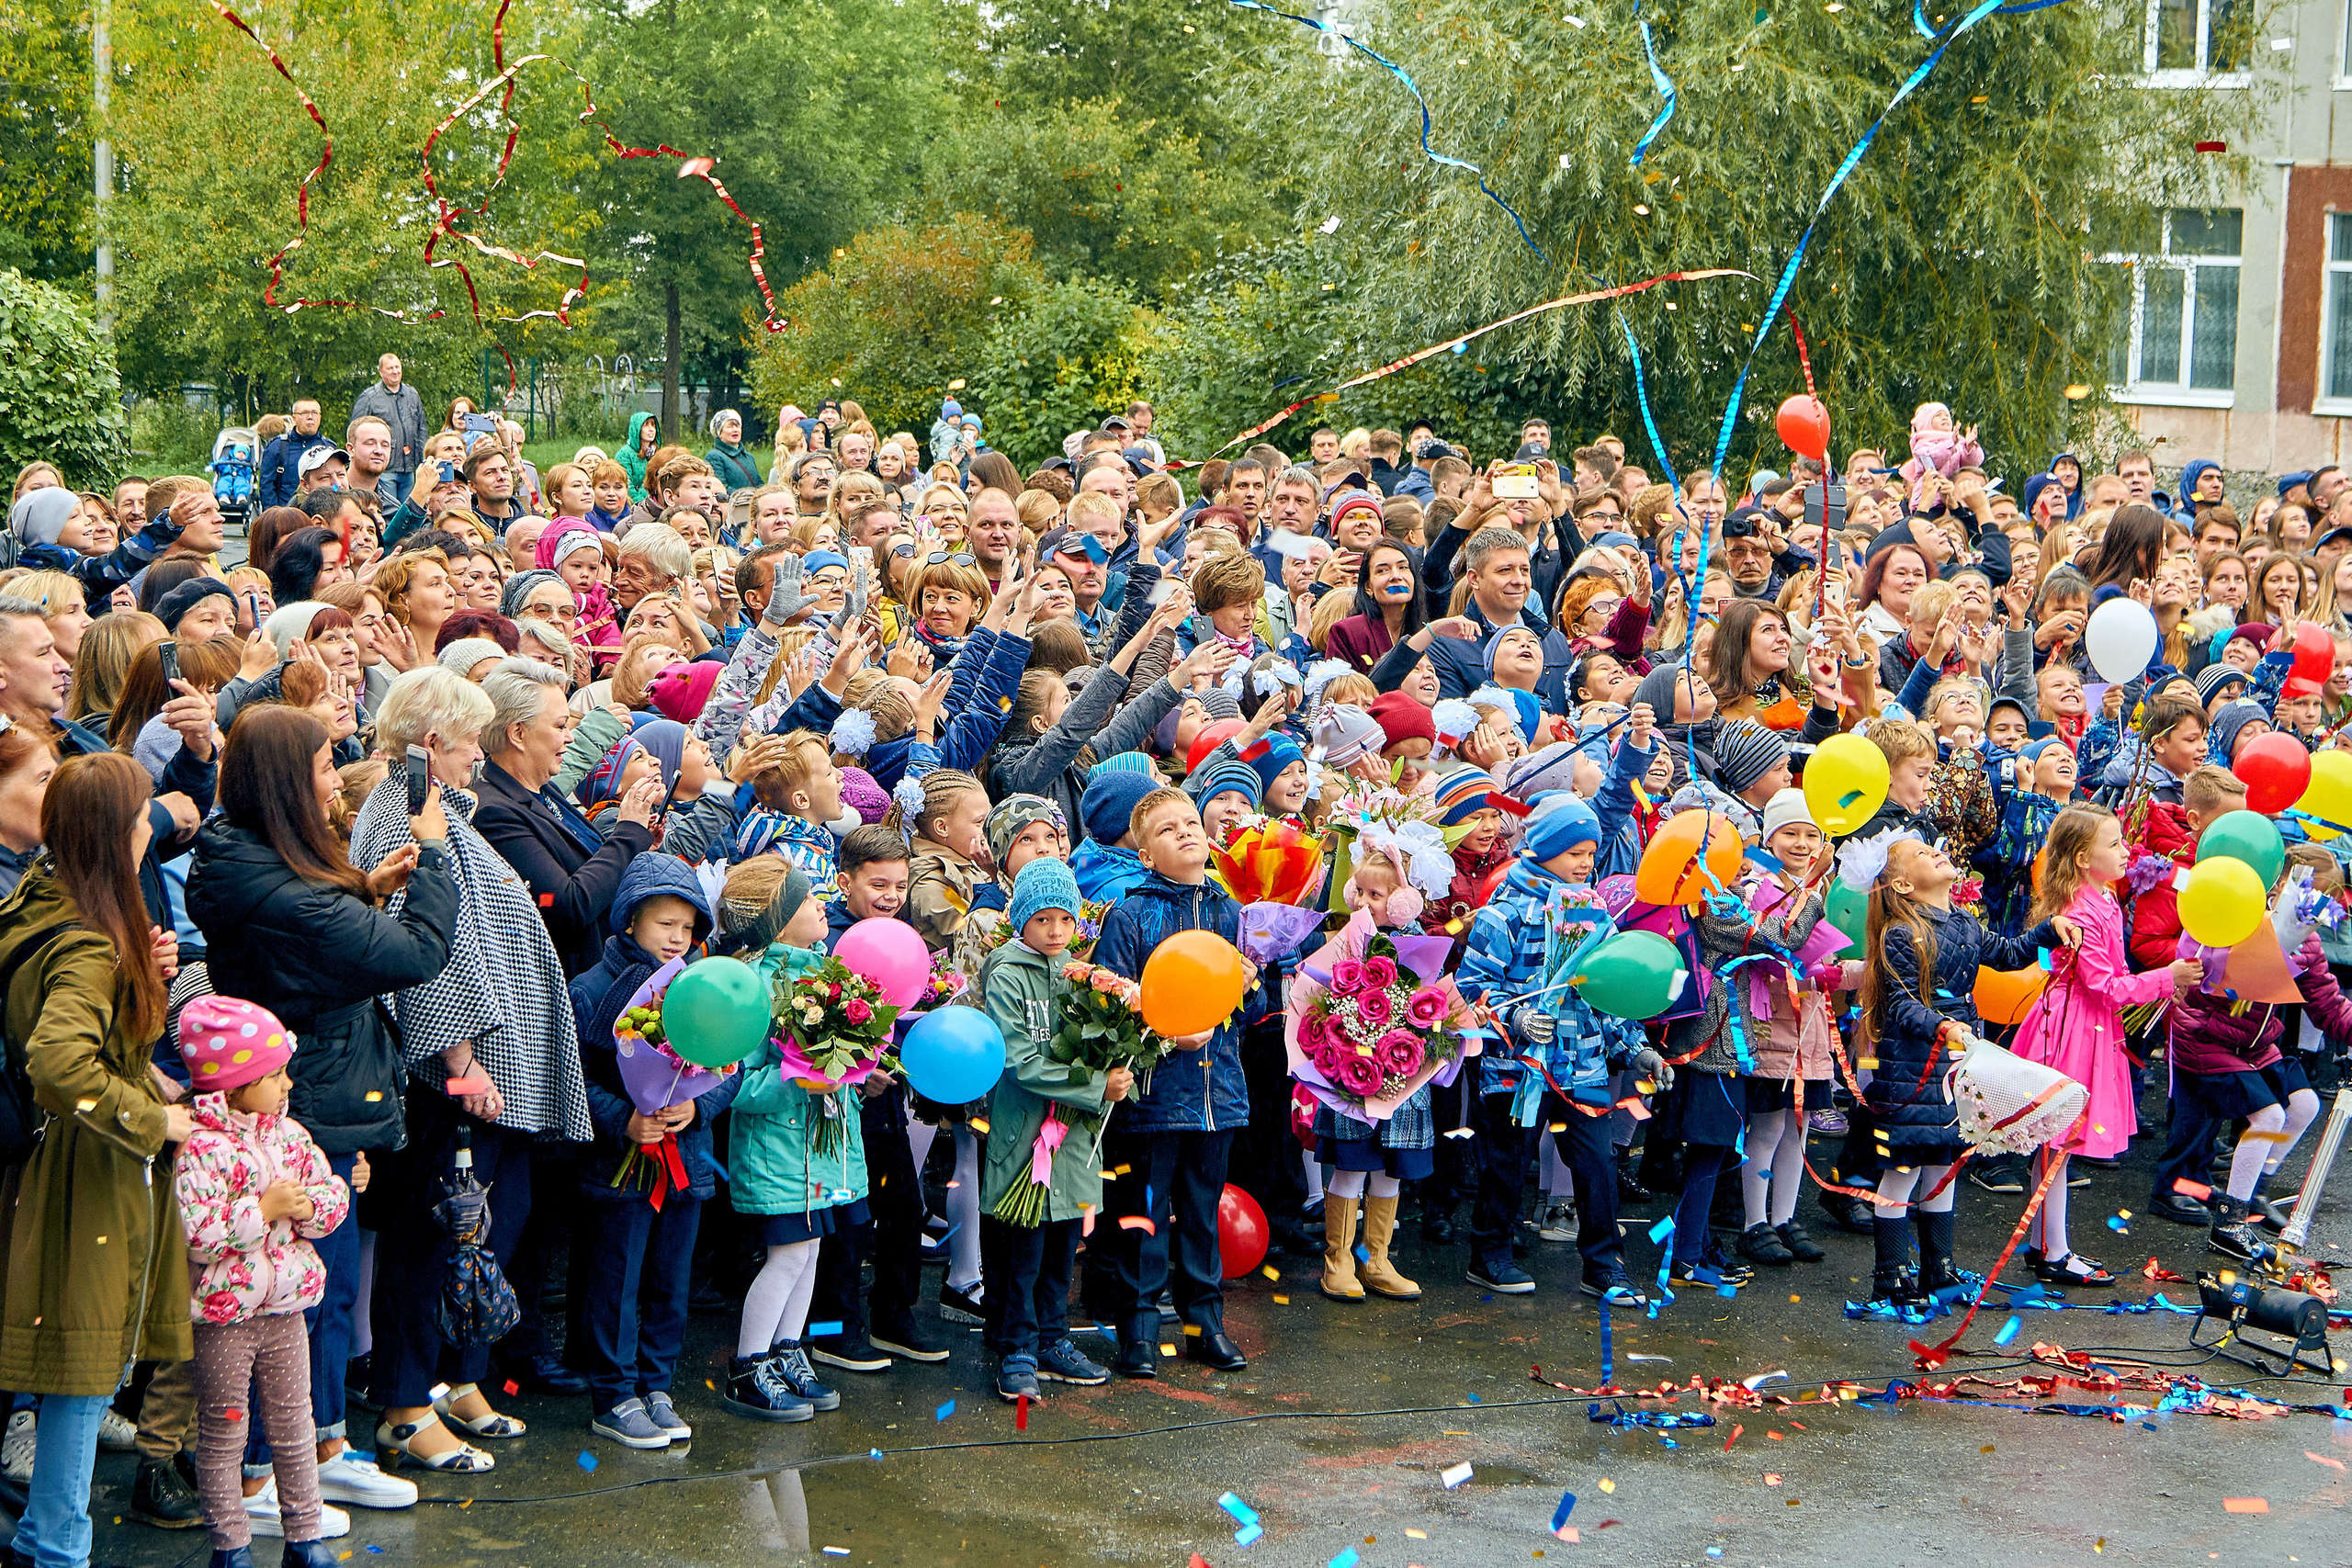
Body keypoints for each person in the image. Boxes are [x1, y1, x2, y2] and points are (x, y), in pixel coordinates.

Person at [187, 704, 457, 1511]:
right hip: (308, 1097)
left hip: (325, 1095)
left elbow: (322, 931)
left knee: (329, 1287)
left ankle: (323, 1441)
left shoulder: (258, 859)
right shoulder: (281, 892)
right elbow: (418, 954)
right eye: (321, 764)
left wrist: (366, 889)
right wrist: (436, 854)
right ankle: (265, 1472)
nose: (335, 776)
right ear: (283, 781)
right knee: (294, 1298)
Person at [349, 668, 587, 1472]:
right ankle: (406, 1405)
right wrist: (461, 1061)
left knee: (494, 1221)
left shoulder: (445, 808)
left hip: (497, 1066)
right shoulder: (401, 816)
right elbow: (428, 949)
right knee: (437, 1234)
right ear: (428, 743)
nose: (478, 759)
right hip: (455, 1074)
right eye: (466, 743)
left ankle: (458, 1378)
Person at [0, 752, 193, 1568]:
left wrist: (142, 993)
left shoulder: (39, 900)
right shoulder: (88, 942)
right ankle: (58, 1548)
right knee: (84, 1368)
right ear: (119, 832)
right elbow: (60, 1063)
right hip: (88, 1172)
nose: (151, 825)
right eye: (143, 814)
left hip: (63, 1166)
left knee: (75, 1366)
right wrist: (156, 1119)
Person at [172, 996, 352, 1568]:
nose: (286, 1083)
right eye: (272, 1074)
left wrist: (305, 1208)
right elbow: (197, 1234)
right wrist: (263, 1208)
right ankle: (231, 1546)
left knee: (294, 1422)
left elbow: (331, 1196)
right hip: (225, 1318)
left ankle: (306, 1537)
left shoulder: (290, 1136)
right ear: (233, 1084)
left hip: (286, 1310)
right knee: (225, 1430)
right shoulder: (199, 1148)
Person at [1091, 788, 1262, 1378]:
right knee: (1144, 1212)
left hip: (1218, 1091)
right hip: (1155, 1092)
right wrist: (1163, 1032)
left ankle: (1204, 1324)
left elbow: (1250, 1000)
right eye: (1168, 830)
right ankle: (1137, 1330)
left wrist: (1250, 982)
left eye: (1191, 822)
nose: (1187, 832)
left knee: (1201, 1210)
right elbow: (1110, 994)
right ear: (1145, 855)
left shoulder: (1230, 908)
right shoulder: (1131, 911)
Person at [571, 854, 737, 1450]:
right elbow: (573, 1077)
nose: (676, 937)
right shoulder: (592, 988)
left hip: (684, 1158)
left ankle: (656, 1383)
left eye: (687, 927)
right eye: (665, 923)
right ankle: (614, 1394)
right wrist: (625, 1119)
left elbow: (730, 1066)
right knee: (617, 1277)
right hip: (621, 1165)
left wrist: (700, 1105)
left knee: (671, 1276)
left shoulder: (704, 986)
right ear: (631, 920)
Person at [2009, 804, 2199, 1287]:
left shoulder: (2104, 898)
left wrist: (2160, 982)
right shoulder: (2081, 908)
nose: (2127, 851)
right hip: (2073, 1029)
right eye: (2113, 844)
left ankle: (2045, 1245)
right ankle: (2054, 1251)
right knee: (2059, 1143)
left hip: (2088, 1027)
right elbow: (2106, 986)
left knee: (2057, 1147)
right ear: (2080, 857)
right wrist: (2165, 978)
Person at [978, 857, 1125, 1402]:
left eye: (1065, 919)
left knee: (1064, 1244)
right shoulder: (1008, 971)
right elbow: (1017, 1058)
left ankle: (1053, 1339)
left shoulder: (1079, 973)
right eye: (1043, 920)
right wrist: (1093, 1088)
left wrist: (1120, 1071)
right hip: (1024, 1133)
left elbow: (1104, 1042)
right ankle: (1017, 1345)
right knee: (1024, 1248)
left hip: (1076, 1143)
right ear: (1022, 920)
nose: (1056, 931)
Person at [725, 863, 861, 1423]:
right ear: (777, 920)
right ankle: (748, 1364)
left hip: (820, 1149)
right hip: (777, 1148)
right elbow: (733, 1079)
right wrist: (794, 1079)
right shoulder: (753, 985)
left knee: (809, 1253)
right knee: (785, 1255)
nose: (823, 906)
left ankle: (788, 1349)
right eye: (808, 901)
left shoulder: (826, 975)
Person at [351, 355, 426, 506]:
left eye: (397, 367)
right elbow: (355, 430)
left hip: (409, 468)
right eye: (390, 368)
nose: (395, 371)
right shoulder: (370, 397)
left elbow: (422, 427)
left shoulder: (412, 395)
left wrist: (421, 458)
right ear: (381, 372)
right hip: (385, 468)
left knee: (409, 512)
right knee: (386, 510)